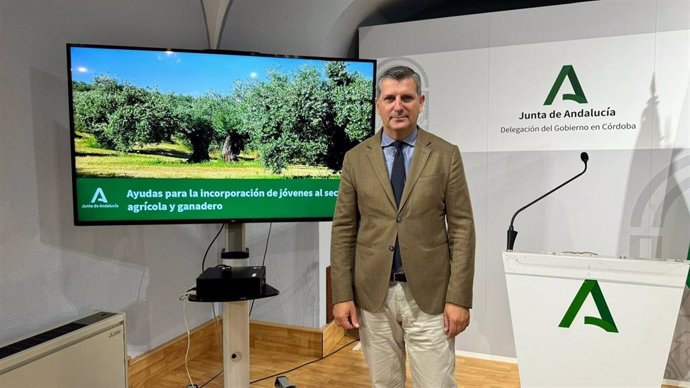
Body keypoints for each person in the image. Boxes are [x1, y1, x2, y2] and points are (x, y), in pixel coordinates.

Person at [330, 65, 475, 388]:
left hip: (430, 298)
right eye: (390, 98)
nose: (398, 106)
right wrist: (341, 295)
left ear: (421, 102)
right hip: (373, 296)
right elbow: (343, 230)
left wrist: (459, 297)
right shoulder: (355, 158)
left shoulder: (445, 155)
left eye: (407, 97)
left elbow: (463, 228)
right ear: (377, 104)